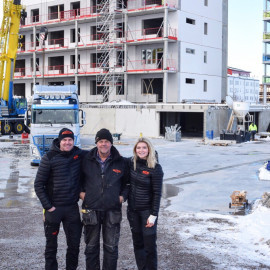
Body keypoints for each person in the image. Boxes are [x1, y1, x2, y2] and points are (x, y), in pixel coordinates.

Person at [34, 128, 85, 270]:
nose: (67, 142)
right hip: (53, 209)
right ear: (59, 141)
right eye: (65, 140)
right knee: (51, 247)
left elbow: (99, 154)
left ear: (73, 141)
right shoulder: (49, 157)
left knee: (74, 245)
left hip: (72, 209)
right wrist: (48, 206)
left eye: (70, 140)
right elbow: (38, 184)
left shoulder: (78, 154)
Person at [80, 128, 129, 270]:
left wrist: (121, 197)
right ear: (96, 143)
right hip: (91, 210)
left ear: (111, 144)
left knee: (111, 248)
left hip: (112, 210)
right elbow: (77, 180)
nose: (103, 144)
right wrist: (82, 195)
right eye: (100, 141)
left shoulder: (121, 162)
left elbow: (127, 183)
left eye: (107, 141)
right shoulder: (86, 160)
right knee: (91, 247)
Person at [127, 137, 163, 270]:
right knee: (138, 244)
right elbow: (116, 159)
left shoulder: (156, 168)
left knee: (149, 245)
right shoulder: (131, 163)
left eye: (144, 147)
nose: (141, 150)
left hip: (147, 213)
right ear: (135, 150)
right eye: (138, 148)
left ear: (149, 149)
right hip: (133, 212)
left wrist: (153, 215)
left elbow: (157, 193)